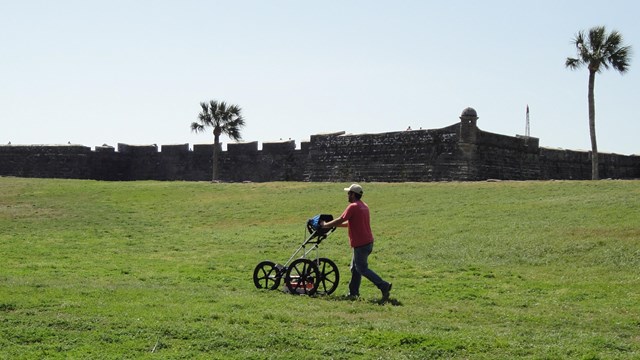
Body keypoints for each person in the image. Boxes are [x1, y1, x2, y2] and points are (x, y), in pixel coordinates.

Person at [321, 184, 392, 301]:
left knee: (362, 269)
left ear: (353, 194)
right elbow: (350, 223)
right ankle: (353, 293)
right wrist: (335, 226)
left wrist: (325, 225)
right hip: (368, 242)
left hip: (361, 244)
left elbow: (341, 219)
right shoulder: (364, 206)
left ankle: (383, 285)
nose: (347, 195)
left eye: (349, 193)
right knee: (355, 268)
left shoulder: (353, 206)